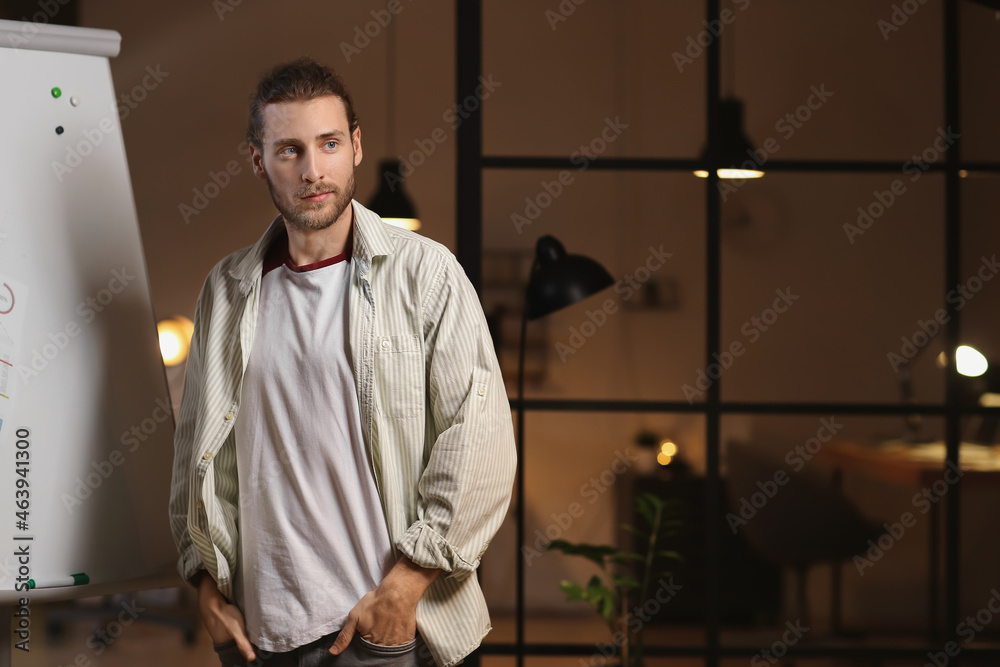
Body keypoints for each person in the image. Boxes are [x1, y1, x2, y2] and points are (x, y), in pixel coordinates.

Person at [168, 57, 516, 667]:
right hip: (258, 633)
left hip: (377, 627)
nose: (312, 170)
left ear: (355, 146)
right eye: (289, 150)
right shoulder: (226, 290)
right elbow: (196, 454)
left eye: (329, 144)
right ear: (259, 161)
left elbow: (480, 439)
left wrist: (403, 590)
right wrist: (204, 586)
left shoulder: (425, 273)